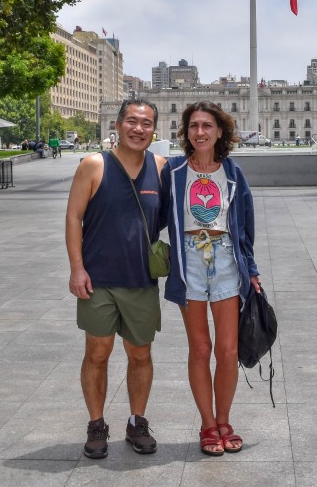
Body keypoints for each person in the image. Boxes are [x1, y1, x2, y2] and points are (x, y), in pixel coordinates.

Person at [65, 99, 167, 459]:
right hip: (99, 278)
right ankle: (96, 424)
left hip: (141, 280)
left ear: (154, 129)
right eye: (132, 121)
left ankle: (137, 422)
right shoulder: (94, 165)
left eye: (146, 123)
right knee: (97, 352)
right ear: (119, 124)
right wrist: (77, 268)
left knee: (140, 354)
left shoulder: (161, 168)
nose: (139, 129)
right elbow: (74, 218)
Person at [160, 101, 261, 457]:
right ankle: (207, 424)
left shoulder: (233, 173)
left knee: (228, 350)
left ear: (220, 131)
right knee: (200, 348)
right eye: (193, 126)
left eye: (207, 125)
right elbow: (152, 213)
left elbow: (245, 226)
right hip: (189, 261)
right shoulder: (173, 172)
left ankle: (225, 420)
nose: (200, 132)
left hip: (226, 259)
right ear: (186, 133)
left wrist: (252, 270)